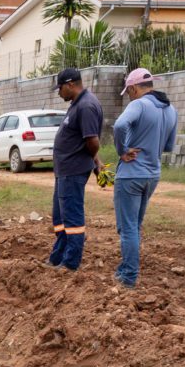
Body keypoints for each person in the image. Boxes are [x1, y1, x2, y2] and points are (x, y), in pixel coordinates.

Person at [111, 68, 178, 289]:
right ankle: (126, 268)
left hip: (131, 174)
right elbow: (168, 146)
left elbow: (120, 125)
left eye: (129, 92)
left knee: (127, 227)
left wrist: (122, 150)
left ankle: (128, 276)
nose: (129, 96)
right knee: (135, 225)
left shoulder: (139, 105)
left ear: (133, 87)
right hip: (152, 174)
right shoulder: (170, 110)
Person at [49, 68, 104, 271]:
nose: (59, 92)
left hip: (73, 171)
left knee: (72, 218)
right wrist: (96, 161)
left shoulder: (87, 106)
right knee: (60, 218)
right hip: (65, 171)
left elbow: (92, 140)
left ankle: (70, 264)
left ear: (70, 84)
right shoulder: (77, 104)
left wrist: (95, 161)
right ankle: (58, 257)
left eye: (60, 88)